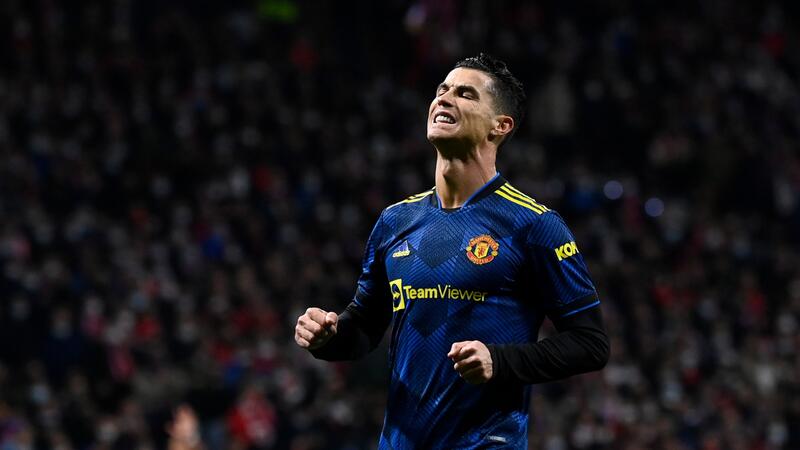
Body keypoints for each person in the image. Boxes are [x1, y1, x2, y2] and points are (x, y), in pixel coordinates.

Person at [294, 53, 609, 449]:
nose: (444, 98)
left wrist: (500, 361)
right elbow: (364, 328)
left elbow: (590, 343)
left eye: (465, 94)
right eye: (442, 90)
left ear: (500, 126)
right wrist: (329, 335)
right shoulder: (395, 221)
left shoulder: (534, 225)